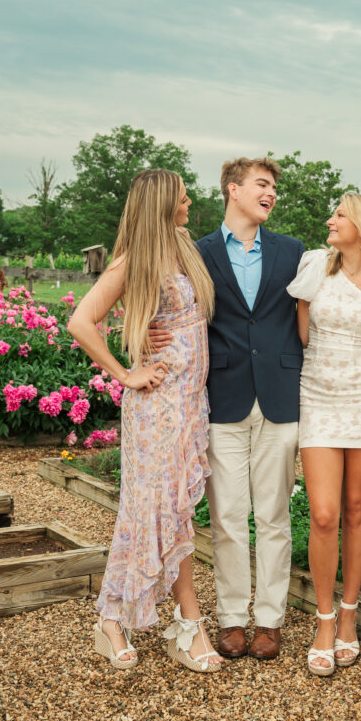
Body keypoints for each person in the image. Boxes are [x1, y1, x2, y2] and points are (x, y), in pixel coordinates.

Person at [68, 169, 223, 673]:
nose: (189, 202)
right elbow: (80, 321)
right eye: (182, 197)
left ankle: (118, 618)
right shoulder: (136, 259)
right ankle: (178, 623)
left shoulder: (186, 249)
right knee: (156, 511)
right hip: (157, 405)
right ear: (161, 204)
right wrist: (124, 374)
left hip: (191, 402)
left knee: (167, 511)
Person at [150, 157, 304, 660]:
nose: (272, 193)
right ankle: (234, 618)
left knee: (275, 515)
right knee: (228, 516)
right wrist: (148, 334)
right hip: (221, 398)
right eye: (263, 184)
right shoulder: (195, 252)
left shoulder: (294, 252)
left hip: (280, 396)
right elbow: (168, 305)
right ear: (233, 190)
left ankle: (270, 620)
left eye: (274, 187)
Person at [286, 194, 361, 676]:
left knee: (358, 509)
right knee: (323, 512)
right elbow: (302, 336)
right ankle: (323, 618)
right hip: (317, 395)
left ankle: (351, 614)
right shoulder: (315, 266)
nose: (330, 220)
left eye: (339, 214)